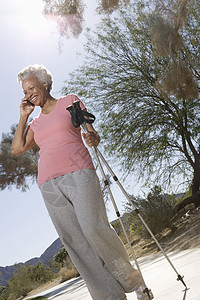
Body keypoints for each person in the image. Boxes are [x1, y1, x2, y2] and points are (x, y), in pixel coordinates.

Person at [12, 64, 149, 300]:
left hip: (80, 172)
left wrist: (93, 137)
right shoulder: (34, 123)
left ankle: (135, 282)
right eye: (25, 92)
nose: (29, 94)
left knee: (94, 228)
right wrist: (23, 117)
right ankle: (109, 297)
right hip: (49, 184)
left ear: (45, 84)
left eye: (32, 88)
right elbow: (17, 148)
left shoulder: (70, 101)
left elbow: (91, 133)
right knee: (76, 243)